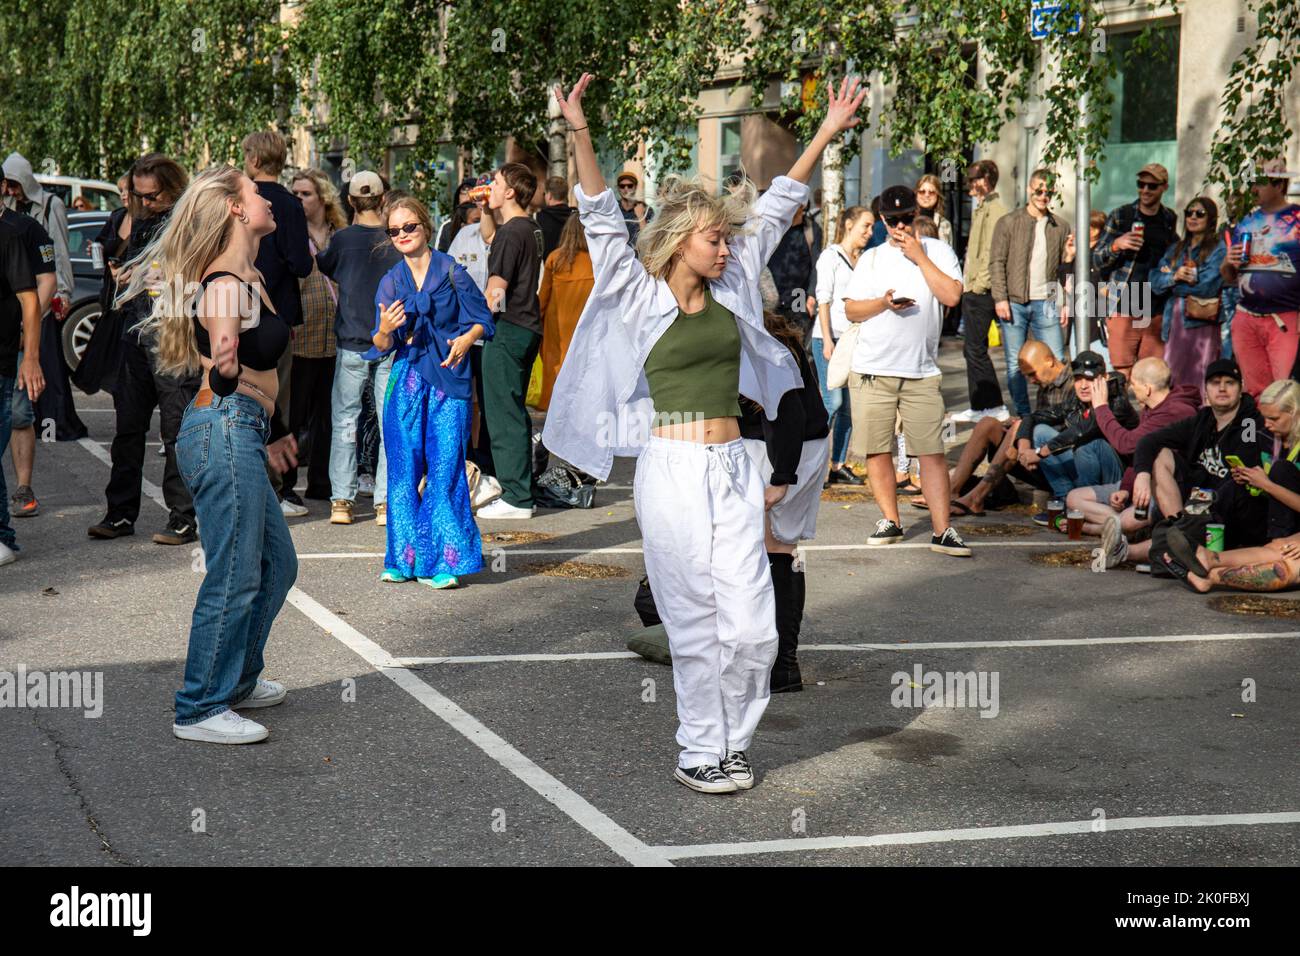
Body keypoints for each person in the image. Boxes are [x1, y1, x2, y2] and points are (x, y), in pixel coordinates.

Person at [544, 72, 865, 794]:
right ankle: (700, 750)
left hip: (735, 466)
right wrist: (579, 128)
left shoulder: (734, 282)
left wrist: (825, 131)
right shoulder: (636, 293)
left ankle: (733, 741)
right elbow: (599, 214)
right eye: (714, 239)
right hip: (672, 471)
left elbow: (780, 204)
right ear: (680, 241)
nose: (727, 249)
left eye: (726, 239)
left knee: (753, 626)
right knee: (693, 622)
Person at [118, 165, 299, 743]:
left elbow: (258, 364)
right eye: (255, 190)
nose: (268, 197)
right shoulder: (226, 283)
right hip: (222, 427)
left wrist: (276, 430)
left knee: (277, 565)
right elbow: (224, 351)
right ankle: (199, 707)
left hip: (241, 428)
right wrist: (222, 363)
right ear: (236, 210)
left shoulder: (249, 273)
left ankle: (237, 680)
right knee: (235, 572)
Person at [368, 196, 494, 587]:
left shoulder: (452, 271)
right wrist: (387, 329)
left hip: (449, 377)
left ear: (425, 225)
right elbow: (379, 342)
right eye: (395, 231)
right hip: (405, 382)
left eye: (409, 227)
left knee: (444, 471)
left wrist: (465, 339)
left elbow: (483, 321)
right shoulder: (391, 280)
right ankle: (402, 559)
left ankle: (444, 561)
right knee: (403, 473)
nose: (403, 235)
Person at [842, 184, 970, 556]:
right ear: (882, 220)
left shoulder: (939, 250)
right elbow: (851, 310)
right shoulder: (871, 259)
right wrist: (882, 304)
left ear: (916, 214)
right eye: (892, 220)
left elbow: (951, 296)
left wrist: (919, 257)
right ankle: (890, 520)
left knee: (930, 451)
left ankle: (942, 529)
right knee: (877, 449)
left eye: (905, 217)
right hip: (872, 367)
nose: (899, 226)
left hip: (921, 370)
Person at [89, 153, 201, 545]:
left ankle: (183, 518)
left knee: (175, 429)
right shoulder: (139, 217)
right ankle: (120, 513)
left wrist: (160, 275)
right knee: (128, 429)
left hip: (172, 333)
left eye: (151, 196)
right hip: (135, 332)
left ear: (172, 188)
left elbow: (195, 272)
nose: (143, 202)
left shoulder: (189, 220)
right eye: (138, 195)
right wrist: (124, 271)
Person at [739, 311, 830, 694]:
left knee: (771, 546)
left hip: (785, 450)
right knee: (770, 547)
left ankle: (781, 665)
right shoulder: (760, 331)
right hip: (784, 445)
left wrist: (781, 478)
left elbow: (786, 410)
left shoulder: (761, 341)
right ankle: (778, 663)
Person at [1119, 359, 1267, 567]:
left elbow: (1243, 475)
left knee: (1171, 527)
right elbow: (1148, 441)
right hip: (1194, 508)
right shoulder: (1203, 419)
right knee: (1161, 453)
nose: (1222, 388)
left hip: (1228, 511)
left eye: (1229, 383)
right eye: (1215, 383)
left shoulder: (1250, 423)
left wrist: (1200, 505)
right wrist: (1142, 476)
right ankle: (1179, 531)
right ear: (1206, 389)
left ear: (1241, 387)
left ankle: (1133, 550)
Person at [316, 171, 401, 525]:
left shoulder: (343, 240)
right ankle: (383, 502)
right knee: (388, 422)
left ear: (350, 201)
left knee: (346, 421)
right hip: (391, 338)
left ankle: (342, 501)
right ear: (384, 199)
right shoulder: (395, 239)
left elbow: (324, 265)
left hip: (351, 340)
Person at [1165, 379, 1300, 591]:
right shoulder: (1268, 437)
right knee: (1235, 490)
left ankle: (1209, 573)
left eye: (1273, 418)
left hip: (1288, 525)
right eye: (1264, 417)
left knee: (1285, 563)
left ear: (1295, 413)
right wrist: (1254, 483)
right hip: (1280, 525)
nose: (1266, 424)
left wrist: (1266, 484)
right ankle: (1207, 555)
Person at [914, 340, 1070, 515]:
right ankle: (952, 490)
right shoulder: (1046, 383)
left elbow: (1070, 432)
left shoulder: (1074, 383)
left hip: (1059, 459)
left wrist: (1023, 428)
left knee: (1018, 429)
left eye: (1033, 374)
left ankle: (976, 498)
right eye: (1027, 376)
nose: (1031, 380)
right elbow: (1040, 420)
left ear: (1049, 360)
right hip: (1035, 455)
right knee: (988, 424)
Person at [242, 131, 313, 511]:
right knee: (276, 399)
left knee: (239, 394)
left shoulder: (235, 197)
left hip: (234, 310)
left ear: (253, 160)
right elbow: (301, 263)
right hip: (277, 316)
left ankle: (250, 480)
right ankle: (280, 487)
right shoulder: (288, 205)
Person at [1071, 356, 1199, 549]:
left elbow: (1126, 444)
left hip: (1163, 490)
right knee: (1074, 499)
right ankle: (1119, 525)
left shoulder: (1175, 411)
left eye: (1134, 384)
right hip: (1140, 484)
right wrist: (1126, 487)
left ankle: (1106, 527)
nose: (1130, 389)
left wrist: (1101, 408)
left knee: (1129, 520)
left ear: (1147, 388)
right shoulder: (1152, 407)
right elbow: (1139, 453)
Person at [3, 152, 85, 449]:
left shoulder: (52, 205)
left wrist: (63, 293)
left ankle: (53, 423)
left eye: (15, 185)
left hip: (43, 296)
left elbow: (60, 252)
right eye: (8, 186)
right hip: (18, 297)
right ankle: (26, 422)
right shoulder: (10, 207)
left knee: (44, 365)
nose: (12, 191)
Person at [477, 162, 544, 519]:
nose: (490, 185)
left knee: (503, 413)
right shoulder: (526, 228)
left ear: (510, 192)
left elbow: (496, 292)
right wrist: (486, 209)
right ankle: (519, 490)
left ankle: (517, 496)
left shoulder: (512, 233)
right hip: (526, 326)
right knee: (512, 409)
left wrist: (474, 325)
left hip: (508, 327)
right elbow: (490, 239)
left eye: (496, 182)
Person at [989, 168, 1071, 417]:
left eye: (1048, 192)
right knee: (1016, 363)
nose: (1043, 196)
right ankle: (1024, 416)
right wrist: (1000, 297)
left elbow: (1064, 267)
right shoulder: (1009, 222)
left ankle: (1055, 411)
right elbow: (996, 262)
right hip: (1014, 301)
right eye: (1038, 190)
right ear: (1029, 189)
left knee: (1056, 358)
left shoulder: (1060, 225)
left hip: (1046, 301)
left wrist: (1065, 301)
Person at [284, 169, 345, 504]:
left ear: (323, 197)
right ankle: (288, 483)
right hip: (301, 336)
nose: (298, 199)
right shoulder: (289, 233)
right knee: (294, 415)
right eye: (294, 193)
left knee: (328, 415)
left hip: (336, 338)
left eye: (305, 193)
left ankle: (321, 481)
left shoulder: (341, 234)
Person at [1013, 350, 1136, 514]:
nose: (1083, 386)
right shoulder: (1076, 400)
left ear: (1104, 379)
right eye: (1078, 379)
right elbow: (1032, 417)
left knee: (1090, 444)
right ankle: (1066, 503)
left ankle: (1086, 509)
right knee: (1040, 432)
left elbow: (1081, 431)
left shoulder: (1116, 401)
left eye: (1090, 379)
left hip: (1120, 480)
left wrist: (1039, 453)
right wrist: (1024, 449)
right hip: (1086, 464)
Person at [1220, 157, 1300, 396]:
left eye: (1261, 183)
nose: (1253, 189)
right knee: (1255, 392)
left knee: (1285, 393)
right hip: (1246, 317)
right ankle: (1260, 434)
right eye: (1252, 183)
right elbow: (1228, 276)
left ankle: (1287, 435)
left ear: (1278, 185)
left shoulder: (1296, 218)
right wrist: (1228, 262)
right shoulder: (1247, 221)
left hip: (1285, 318)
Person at [1094, 163, 1179, 378]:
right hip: (1124, 305)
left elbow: (1173, 254)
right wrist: (1116, 245)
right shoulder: (1121, 216)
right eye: (1141, 184)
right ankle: (1122, 413)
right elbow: (1096, 259)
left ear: (1164, 187)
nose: (1145, 190)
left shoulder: (1169, 218)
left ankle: (1149, 414)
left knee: (1152, 376)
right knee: (1122, 374)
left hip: (1156, 308)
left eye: (1152, 186)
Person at [0, 197, 57, 518]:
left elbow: (46, 282)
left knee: (20, 414)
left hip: (17, 339)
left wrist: (25, 331)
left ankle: (23, 487)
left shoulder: (24, 229)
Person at [812, 205, 871, 486]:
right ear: (849, 224)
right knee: (832, 401)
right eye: (865, 226)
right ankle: (814, 464)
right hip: (829, 337)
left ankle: (838, 464)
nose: (869, 233)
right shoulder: (830, 256)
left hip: (852, 340)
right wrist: (826, 339)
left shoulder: (861, 260)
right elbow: (823, 299)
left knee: (848, 406)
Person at [0, 214, 43, 566]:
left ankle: (3, 538)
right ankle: (3, 538)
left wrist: (30, 358)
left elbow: (30, 301)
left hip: (2, 362)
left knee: (15, 421)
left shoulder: (10, 235)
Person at [1151, 197, 1227, 391]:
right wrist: (1175, 277)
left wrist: (1173, 285)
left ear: (1210, 219)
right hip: (1174, 319)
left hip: (1202, 319)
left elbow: (1208, 287)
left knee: (1201, 375)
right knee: (1173, 373)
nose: (1193, 217)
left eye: (1199, 214)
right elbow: (1154, 281)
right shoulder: (1176, 248)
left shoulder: (1218, 249)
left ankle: (1201, 419)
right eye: (1189, 213)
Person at [954, 159, 1010, 423]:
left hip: (980, 290)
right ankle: (979, 405)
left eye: (975, 178)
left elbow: (991, 251)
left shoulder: (995, 209)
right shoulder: (982, 208)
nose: (971, 183)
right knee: (971, 349)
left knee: (976, 349)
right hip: (973, 287)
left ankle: (995, 405)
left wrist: (978, 284)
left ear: (987, 179)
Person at [537, 213, 593, 410]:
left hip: (557, 333)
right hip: (587, 332)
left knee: (557, 384)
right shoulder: (597, 262)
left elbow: (542, 300)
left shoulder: (555, 259)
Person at [768, 200, 821, 340]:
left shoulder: (811, 229)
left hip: (799, 297)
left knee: (797, 344)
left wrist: (811, 296)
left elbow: (817, 265)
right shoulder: (772, 229)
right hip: (773, 298)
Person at [536, 176, 575, 259]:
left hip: (549, 268)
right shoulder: (576, 216)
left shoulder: (539, 218)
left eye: (545, 193)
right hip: (574, 268)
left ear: (549, 195)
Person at [435, 178, 477, 252]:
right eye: (464, 190)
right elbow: (441, 257)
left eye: (473, 191)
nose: (468, 195)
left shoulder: (488, 225)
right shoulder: (447, 227)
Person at [914, 173, 953, 246]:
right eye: (922, 192)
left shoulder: (944, 224)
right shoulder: (907, 220)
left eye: (931, 192)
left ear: (938, 195)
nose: (926, 195)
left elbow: (949, 251)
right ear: (916, 194)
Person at [615, 171, 650, 245]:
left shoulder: (646, 209)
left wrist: (641, 216)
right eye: (622, 186)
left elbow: (648, 240)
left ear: (635, 186)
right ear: (618, 188)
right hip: (616, 254)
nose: (626, 189)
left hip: (637, 255)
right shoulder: (613, 208)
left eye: (630, 186)